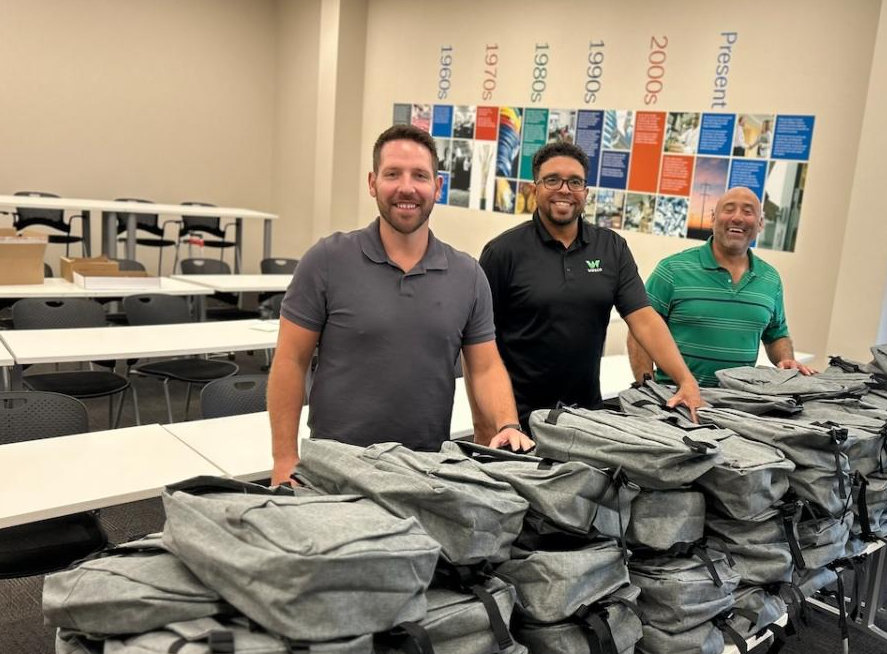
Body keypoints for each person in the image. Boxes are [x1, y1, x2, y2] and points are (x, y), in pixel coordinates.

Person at [269, 124, 532, 486]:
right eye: (393, 174)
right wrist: (285, 459)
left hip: (424, 471)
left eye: (419, 176)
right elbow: (290, 361)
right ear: (373, 182)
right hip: (336, 468)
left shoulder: (467, 274)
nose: (406, 187)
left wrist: (508, 424)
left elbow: (485, 367)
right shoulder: (327, 260)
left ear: (437, 187)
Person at [479, 141, 705, 425]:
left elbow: (644, 319)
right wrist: (488, 421)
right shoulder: (503, 252)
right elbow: (479, 344)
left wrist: (685, 379)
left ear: (585, 192)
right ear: (535, 188)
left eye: (575, 182)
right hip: (518, 419)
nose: (564, 189)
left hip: (587, 417)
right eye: (552, 180)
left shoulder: (611, 247)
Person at [628, 186, 815, 387]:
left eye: (748, 211)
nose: (737, 217)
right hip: (676, 400)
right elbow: (640, 330)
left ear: (760, 223)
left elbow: (776, 334)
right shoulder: (672, 270)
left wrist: (785, 359)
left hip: (737, 403)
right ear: (713, 218)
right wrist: (647, 387)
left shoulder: (771, 279)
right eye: (729, 209)